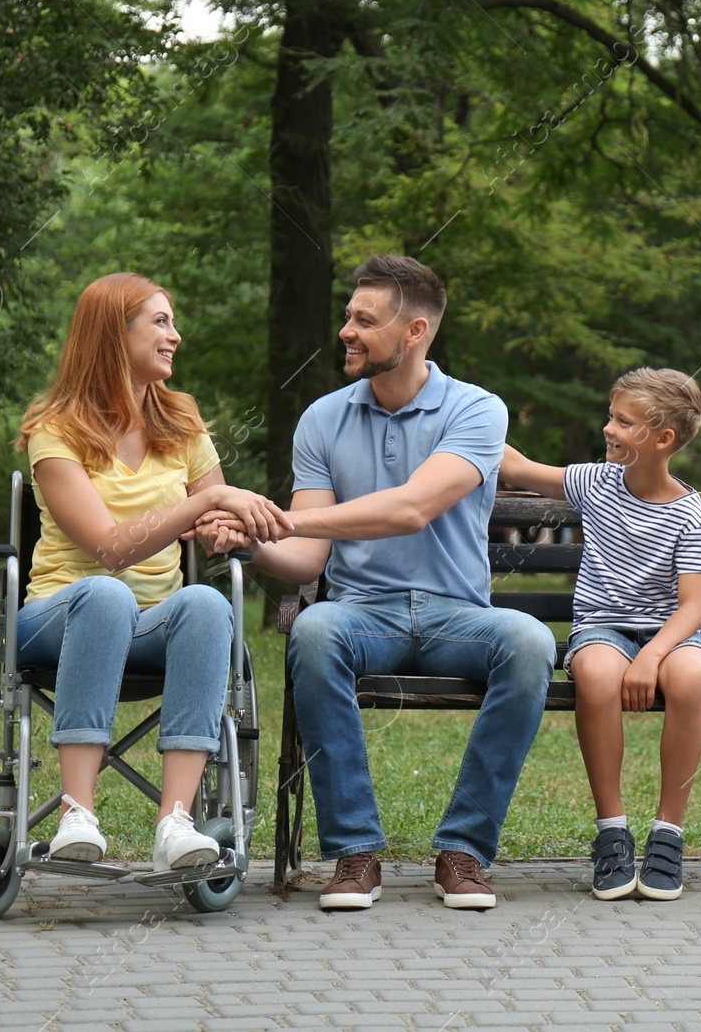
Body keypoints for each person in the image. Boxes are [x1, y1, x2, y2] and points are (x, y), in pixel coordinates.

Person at [207, 254, 554, 911]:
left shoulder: (477, 410)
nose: (347, 330)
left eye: (364, 320)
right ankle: (354, 854)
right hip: (363, 613)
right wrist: (254, 542)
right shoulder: (322, 419)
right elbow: (309, 557)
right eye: (348, 316)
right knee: (312, 628)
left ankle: (464, 851)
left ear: (415, 331)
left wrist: (279, 519)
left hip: (458, 616)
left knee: (531, 642)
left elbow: (412, 507)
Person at [16, 272, 291, 873]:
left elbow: (217, 508)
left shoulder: (181, 423)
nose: (176, 336)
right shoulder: (54, 431)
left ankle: (176, 822)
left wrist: (226, 525)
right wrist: (198, 506)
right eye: (160, 322)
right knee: (107, 593)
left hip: (149, 624)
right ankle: (76, 815)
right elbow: (109, 549)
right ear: (116, 335)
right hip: (57, 618)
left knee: (207, 604)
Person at [500, 368, 701, 901]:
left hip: (672, 634)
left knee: (690, 677)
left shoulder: (693, 516)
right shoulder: (596, 482)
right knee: (595, 675)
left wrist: (653, 657)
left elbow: (693, 607)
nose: (608, 429)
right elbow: (522, 469)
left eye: (623, 421)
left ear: (662, 439)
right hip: (602, 628)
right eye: (611, 417)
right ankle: (612, 832)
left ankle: (668, 834)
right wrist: (461, 417)